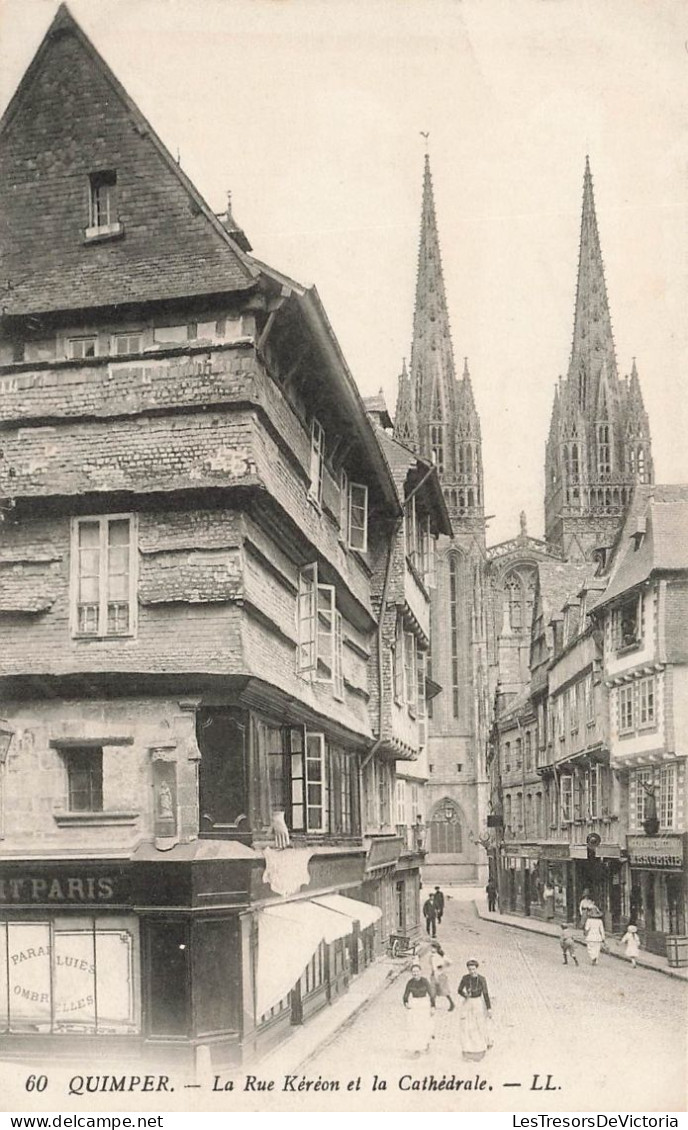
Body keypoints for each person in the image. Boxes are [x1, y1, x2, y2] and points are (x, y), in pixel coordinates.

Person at [457, 960, 492, 1061]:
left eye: (473, 969)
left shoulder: (481, 979)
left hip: (478, 1003)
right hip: (468, 1003)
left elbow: (485, 994)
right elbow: (459, 990)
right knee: (467, 1025)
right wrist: (465, 995)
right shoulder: (465, 978)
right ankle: (468, 1050)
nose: (472, 971)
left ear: (476, 968)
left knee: (478, 1025)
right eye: (470, 969)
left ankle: (480, 1049)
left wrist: (489, 1008)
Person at [402, 961, 435, 1056]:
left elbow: (431, 994)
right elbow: (405, 995)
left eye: (417, 971)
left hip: (424, 1004)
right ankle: (416, 1046)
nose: (415, 974)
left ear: (420, 972)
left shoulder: (424, 981)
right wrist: (406, 1003)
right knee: (414, 1026)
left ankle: (425, 1044)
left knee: (424, 1025)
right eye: (413, 972)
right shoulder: (410, 983)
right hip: (415, 1004)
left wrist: (432, 1006)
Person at [429, 942, 455, 1010]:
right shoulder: (432, 956)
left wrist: (443, 966)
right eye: (431, 947)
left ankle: (452, 1003)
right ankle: (433, 1005)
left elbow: (450, 962)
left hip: (439, 975)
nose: (432, 949)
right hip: (435, 975)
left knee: (444, 990)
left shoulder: (440, 955)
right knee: (432, 991)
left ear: (437, 948)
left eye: (434, 948)